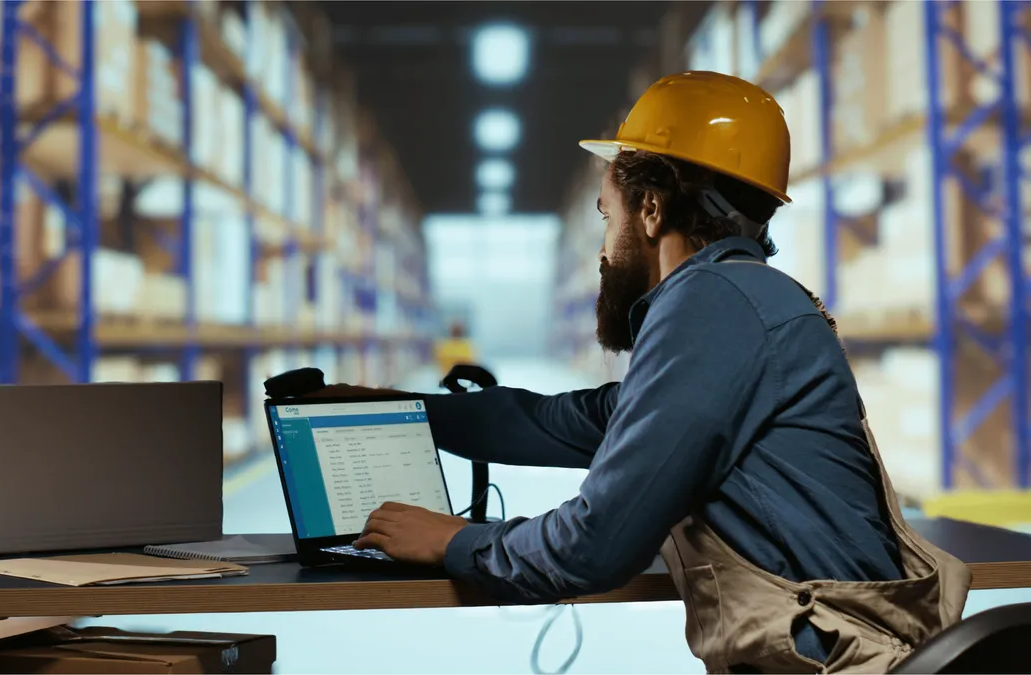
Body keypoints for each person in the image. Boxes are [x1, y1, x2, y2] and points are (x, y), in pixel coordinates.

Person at [315, 72, 970, 673]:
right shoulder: (746, 300)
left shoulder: (711, 304)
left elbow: (594, 546)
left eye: (607, 216)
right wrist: (395, 407)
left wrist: (455, 539)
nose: (602, 249)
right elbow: (563, 420)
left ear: (651, 209)